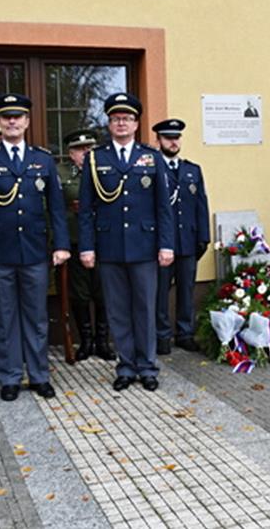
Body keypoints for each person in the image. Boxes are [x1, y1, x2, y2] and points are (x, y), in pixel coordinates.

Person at [0, 94, 70, 402]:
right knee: (4, 317)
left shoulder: (43, 159)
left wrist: (61, 244)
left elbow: (57, 208)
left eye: (17, 117)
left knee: (36, 317)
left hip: (35, 251)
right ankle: (10, 376)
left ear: (27, 122)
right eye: (6, 117)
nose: (12, 122)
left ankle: (39, 375)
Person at [78, 92, 174, 392]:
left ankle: (147, 367)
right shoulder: (96, 158)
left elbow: (163, 207)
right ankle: (126, 366)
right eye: (116, 118)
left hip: (144, 246)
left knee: (145, 308)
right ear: (109, 124)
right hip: (109, 247)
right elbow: (86, 208)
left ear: (136, 124)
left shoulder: (152, 157)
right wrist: (87, 246)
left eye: (127, 118)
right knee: (118, 311)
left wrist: (166, 244)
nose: (121, 123)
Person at [153, 119, 210, 354]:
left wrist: (203, 237)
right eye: (168, 138)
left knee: (186, 290)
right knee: (160, 292)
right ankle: (161, 335)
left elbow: (201, 205)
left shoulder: (192, 170)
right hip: (162, 244)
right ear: (158, 140)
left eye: (176, 137)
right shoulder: (153, 168)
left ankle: (185, 333)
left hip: (188, 241)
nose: (173, 142)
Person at [58, 129, 115, 362]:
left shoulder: (105, 170)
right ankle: (86, 341)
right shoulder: (60, 173)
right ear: (71, 153)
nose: (85, 153)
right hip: (74, 240)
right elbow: (53, 207)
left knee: (103, 293)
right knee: (79, 294)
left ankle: (102, 341)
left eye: (89, 148)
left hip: (103, 241)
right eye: (80, 149)